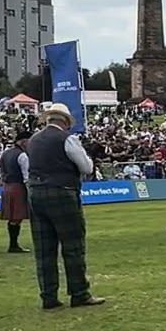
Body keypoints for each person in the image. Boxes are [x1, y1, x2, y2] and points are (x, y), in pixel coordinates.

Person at [25, 103, 104, 310]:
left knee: (44, 249)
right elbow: (86, 167)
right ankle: (79, 293)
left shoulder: (32, 141)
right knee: (73, 246)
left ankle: (48, 296)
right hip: (63, 192)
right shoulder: (68, 139)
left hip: (35, 194)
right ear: (65, 122)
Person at [0, 131, 32, 253]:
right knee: (16, 218)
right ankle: (13, 245)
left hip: (7, 186)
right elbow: (26, 176)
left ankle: (13, 244)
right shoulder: (22, 156)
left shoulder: (4, 154)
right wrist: (30, 191)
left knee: (14, 218)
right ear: (23, 141)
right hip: (18, 187)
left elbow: (0, 172)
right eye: (29, 141)